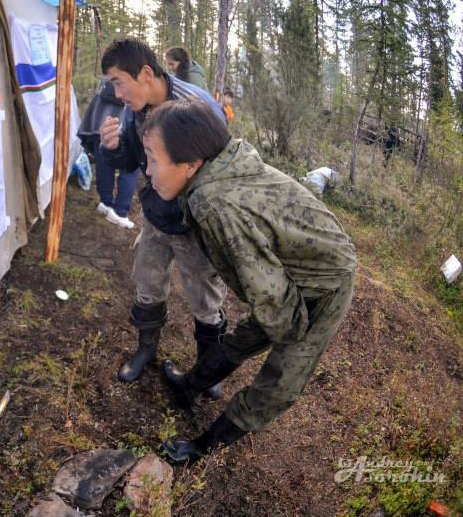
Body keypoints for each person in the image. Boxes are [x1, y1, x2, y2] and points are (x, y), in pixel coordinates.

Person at [136, 99, 356, 465]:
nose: (148, 170)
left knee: (281, 379)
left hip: (325, 282)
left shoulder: (213, 202)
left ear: (191, 164)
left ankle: (202, 447)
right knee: (245, 338)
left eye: (153, 159)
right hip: (292, 266)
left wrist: (289, 335)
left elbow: (270, 294)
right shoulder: (220, 168)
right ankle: (189, 388)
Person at [99, 38, 228, 393]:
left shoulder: (197, 106)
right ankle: (145, 351)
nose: (117, 94)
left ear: (145, 73)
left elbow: (224, 168)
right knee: (148, 284)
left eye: (119, 82)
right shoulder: (134, 110)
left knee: (206, 298)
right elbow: (130, 161)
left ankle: (208, 372)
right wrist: (111, 148)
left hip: (195, 223)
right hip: (156, 217)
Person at [77, 77, 140, 229]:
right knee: (130, 168)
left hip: (99, 124)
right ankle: (119, 212)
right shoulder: (132, 79)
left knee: (104, 164)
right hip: (122, 128)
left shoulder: (108, 77)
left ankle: (105, 203)